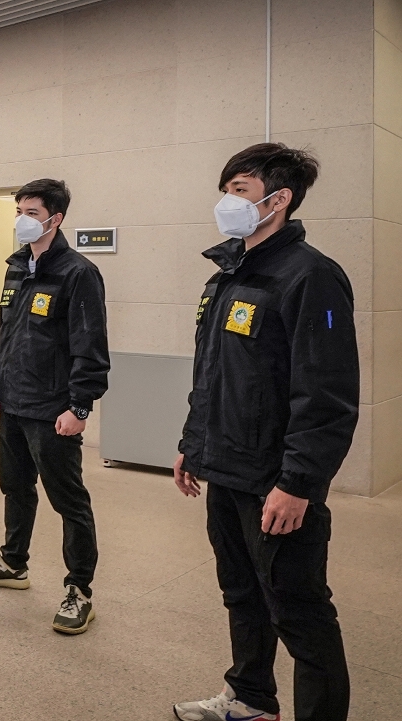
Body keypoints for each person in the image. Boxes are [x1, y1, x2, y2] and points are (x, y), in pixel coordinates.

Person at [172, 144, 357, 721]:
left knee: (299, 611)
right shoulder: (226, 276)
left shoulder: (311, 277)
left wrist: (298, 483)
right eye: (226, 189)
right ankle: (251, 699)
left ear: (279, 200)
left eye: (240, 190)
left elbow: (325, 394)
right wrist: (192, 445)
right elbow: (213, 374)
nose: (226, 201)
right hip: (225, 468)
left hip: (275, 481)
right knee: (242, 594)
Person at [0, 179, 109, 635]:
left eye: (31, 212)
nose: (22, 219)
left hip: (53, 410)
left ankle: (79, 590)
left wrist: (79, 407)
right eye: (18, 211)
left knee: (69, 501)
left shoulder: (78, 273)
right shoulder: (15, 268)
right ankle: (13, 562)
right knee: (15, 487)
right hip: (14, 403)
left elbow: (90, 346)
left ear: (55, 219)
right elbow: (7, 336)